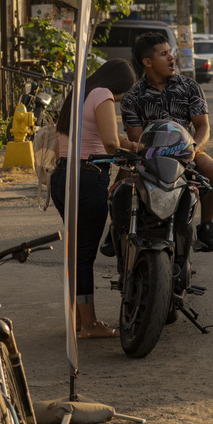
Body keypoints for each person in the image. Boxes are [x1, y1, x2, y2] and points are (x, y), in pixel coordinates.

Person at [51, 59, 137, 338]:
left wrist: (129, 143)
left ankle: (77, 320)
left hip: (64, 175)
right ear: (120, 85)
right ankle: (90, 324)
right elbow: (110, 143)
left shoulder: (80, 93)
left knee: (75, 251)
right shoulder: (103, 95)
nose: (121, 98)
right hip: (88, 177)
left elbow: (61, 143)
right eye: (125, 92)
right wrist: (132, 153)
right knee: (84, 254)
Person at [120, 31, 213, 252]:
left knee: (212, 169)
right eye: (164, 54)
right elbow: (136, 138)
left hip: (186, 152)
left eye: (171, 52)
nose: (171, 58)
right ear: (147, 62)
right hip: (148, 155)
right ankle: (119, 231)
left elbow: (203, 127)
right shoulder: (132, 97)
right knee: (121, 183)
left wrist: (193, 150)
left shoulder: (189, 87)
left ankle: (206, 227)